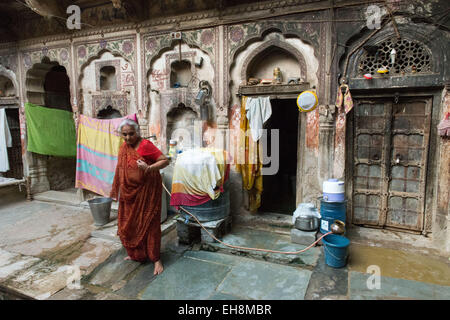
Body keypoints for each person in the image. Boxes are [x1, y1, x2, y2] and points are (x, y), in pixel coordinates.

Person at [110, 119, 169, 275]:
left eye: (131, 134)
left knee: (150, 224)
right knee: (131, 224)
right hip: (129, 194)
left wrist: (148, 168)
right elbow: (121, 169)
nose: (128, 138)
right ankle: (137, 254)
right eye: (125, 135)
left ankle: (156, 259)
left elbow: (165, 160)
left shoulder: (145, 145)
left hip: (147, 192)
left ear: (137, 132)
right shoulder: (124, 147)